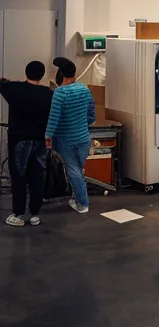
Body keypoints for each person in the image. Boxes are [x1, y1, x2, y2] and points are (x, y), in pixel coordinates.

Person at [2, 61, 52, 226]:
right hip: (40, 140)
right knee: (37, 176)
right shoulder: (48, 93)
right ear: (42, 75)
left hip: (19, 140)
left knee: (19, 177)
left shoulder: (15, 89)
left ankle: (18, 214)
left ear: (26, 72)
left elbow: (2, 83)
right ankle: (35, 214)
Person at [45, 57, 95, 214]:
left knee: (73, 171)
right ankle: (76, 197)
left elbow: (54, 118)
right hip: (83, 138)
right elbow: (91, 114)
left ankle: (83, 203)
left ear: (60, 75)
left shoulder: (60, 93)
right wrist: (81, 124)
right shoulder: (84, 89)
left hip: (66, 139)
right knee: (78, 170)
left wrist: (48, 136)